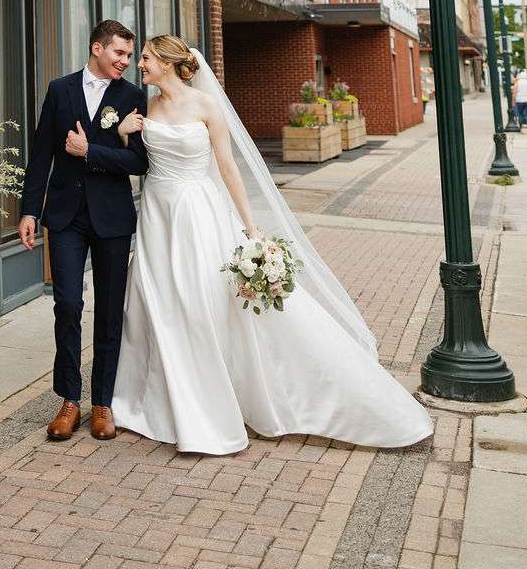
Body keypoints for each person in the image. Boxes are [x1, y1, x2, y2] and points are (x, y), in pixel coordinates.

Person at [111, 35, 434, 455]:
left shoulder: (206, 105)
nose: (141, 64)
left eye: (148, 58)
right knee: (156, 303)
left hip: (196, 212)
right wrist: (121, 135)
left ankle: (212, 401)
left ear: (170, 63)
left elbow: (226, 166)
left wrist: (250, 227)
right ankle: (159, 400)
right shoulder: (147, 107)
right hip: (157, 212)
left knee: (200, 302)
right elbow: (142, 161)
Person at [18, 19, 148, 442]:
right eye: (119, 53)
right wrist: (29, 211)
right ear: (97, 48)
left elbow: (140, 163)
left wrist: (91, 150)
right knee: (68, 304)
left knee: (110, 312)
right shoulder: (60, 90)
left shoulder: (133, 97)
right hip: (66, 216)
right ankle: (69, 400)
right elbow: (41, 155)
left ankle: (102, 403)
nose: (125, 62)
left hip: (111, 216)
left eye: (130, 56)